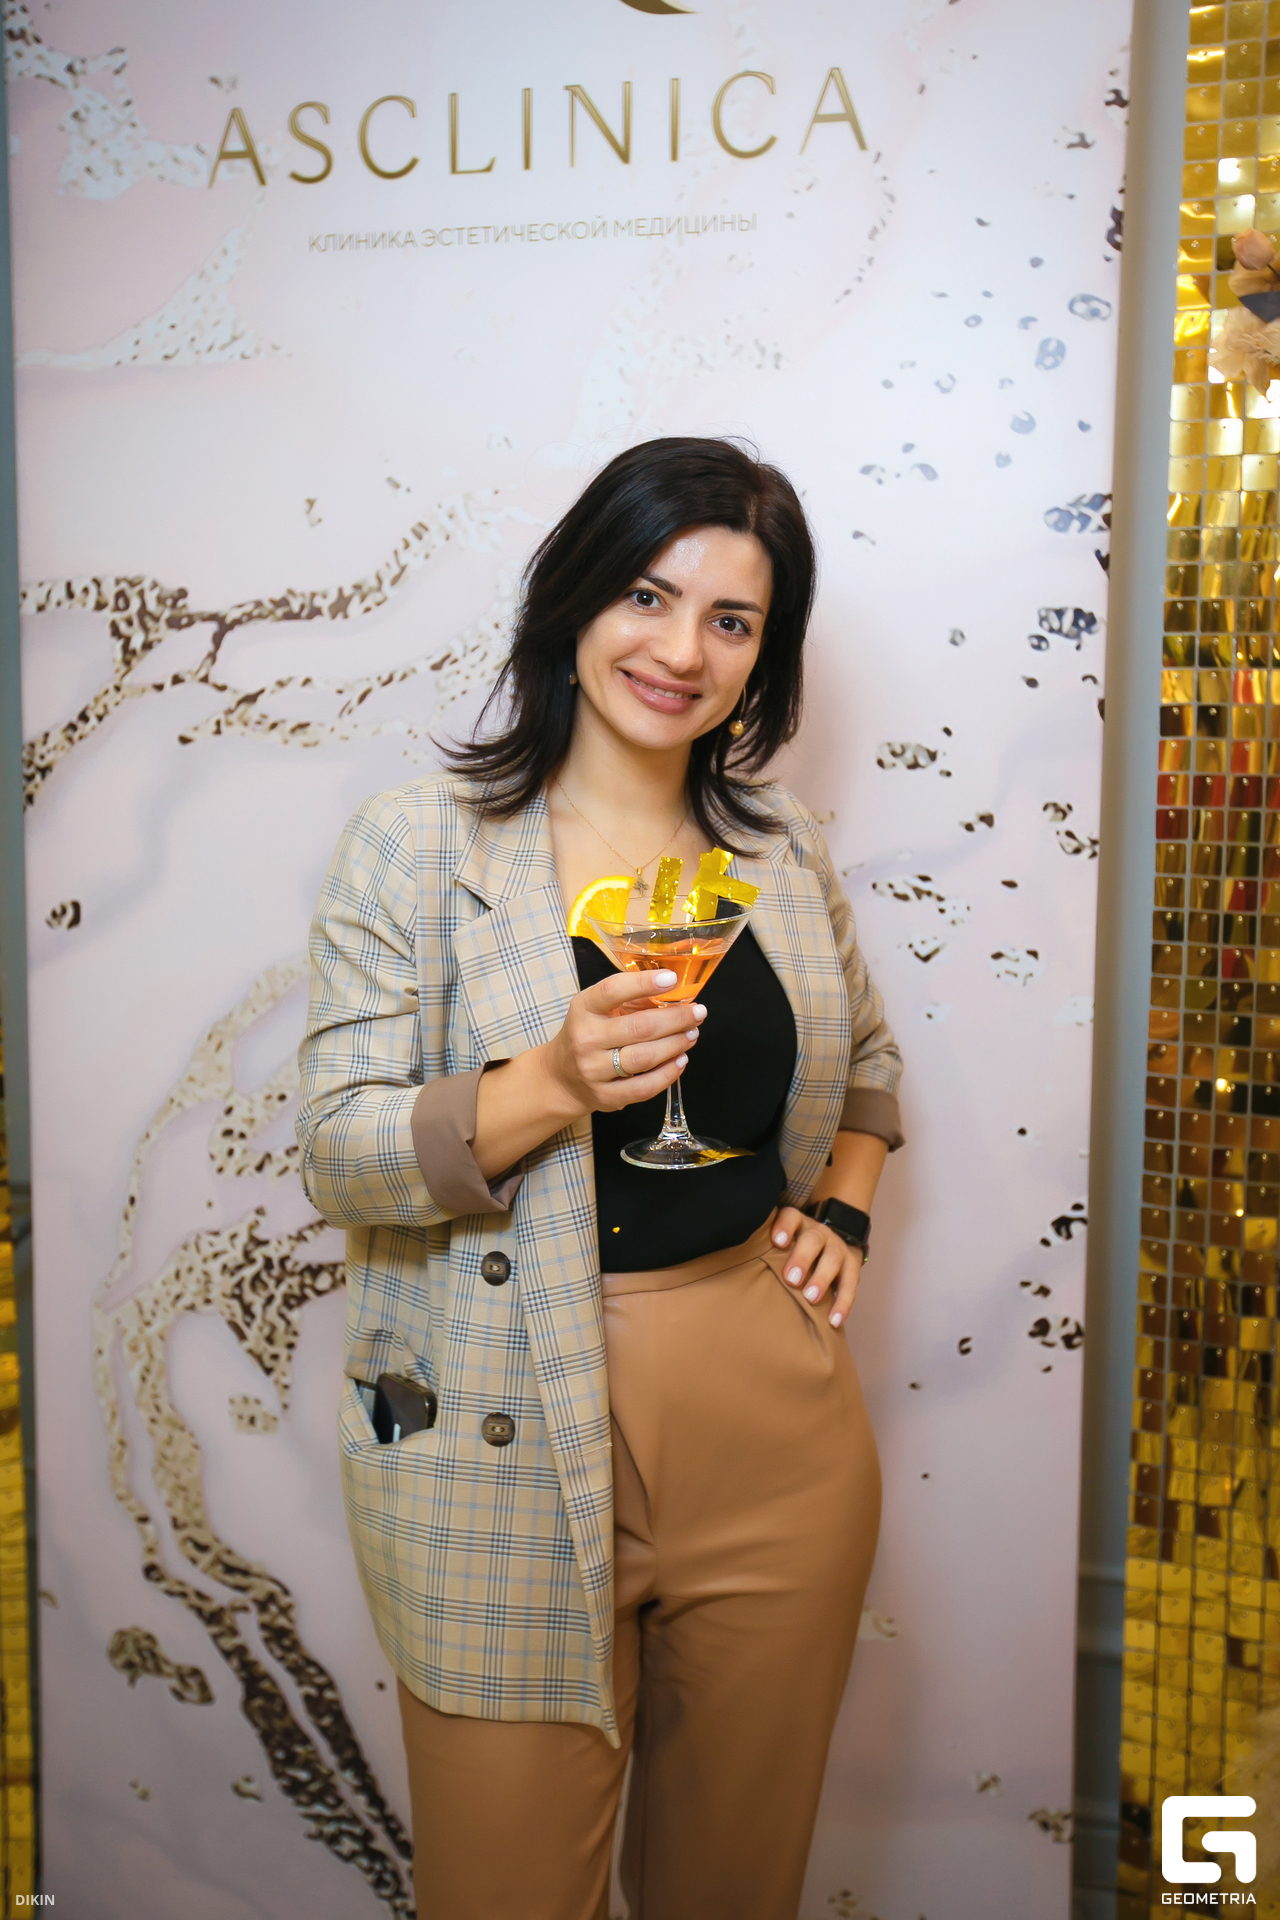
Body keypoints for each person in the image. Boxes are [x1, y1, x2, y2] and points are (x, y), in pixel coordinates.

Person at [296, 436, 904, 1920]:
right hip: (495, 1418)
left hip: (771, 1422)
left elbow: (867, 1060)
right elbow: (339, 1155)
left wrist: (843, 1202)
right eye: (647, 594)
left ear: (764, 657)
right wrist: (552, 1083)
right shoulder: (417, 847)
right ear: (575, 598)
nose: (682, 651)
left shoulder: (779, 847)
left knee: (733, 1889)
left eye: (732, 620)